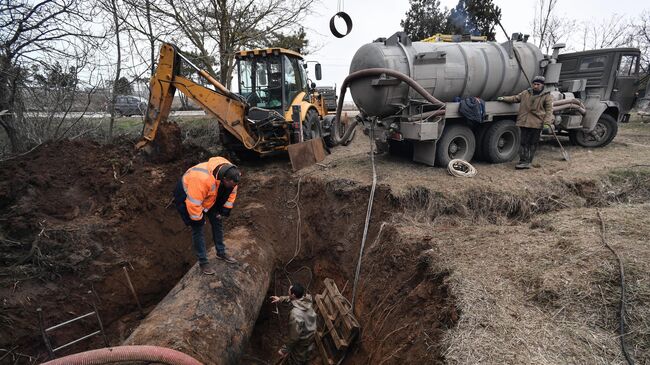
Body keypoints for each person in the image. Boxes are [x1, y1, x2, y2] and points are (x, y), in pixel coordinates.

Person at [173, 157, 240, 275]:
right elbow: (193, 203)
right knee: (198, 229)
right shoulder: (201, 179)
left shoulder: (232, 174)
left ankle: (221, 252)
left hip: (209, 196)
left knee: (217, 221)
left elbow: (231, 193)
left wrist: (223, 211)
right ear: (224, 179)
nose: (232, 186)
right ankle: (203, 262)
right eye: (230, 184)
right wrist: (199, 220)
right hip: (188, 197)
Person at [497, 75, 554, 169]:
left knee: (532, 143)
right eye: (534, 84)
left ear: (542, 85)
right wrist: (504, 98)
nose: (535, 86)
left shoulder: (547, 96)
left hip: (536, 123)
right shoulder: (526, 93)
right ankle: (522, 160)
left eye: (538, 84)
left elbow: (549, 111)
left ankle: (528, 161)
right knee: (523, 142)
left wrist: (547, 123)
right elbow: (515, 98)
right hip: (524, 122)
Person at [270, 283, 317, 365]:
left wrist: (284, 350)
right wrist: (280, 299)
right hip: (310, 328)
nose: (288, 293)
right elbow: (293, 299)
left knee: (296, 359)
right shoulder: (307, 298)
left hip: (304, 338)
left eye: (289, 292)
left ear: (293, 295)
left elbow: (294, 337)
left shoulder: (295, 315)